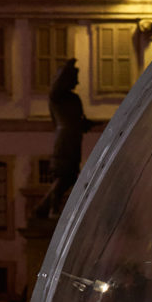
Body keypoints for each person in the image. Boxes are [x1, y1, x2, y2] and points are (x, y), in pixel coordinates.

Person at [34, 59, 94, 219]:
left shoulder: (74, 99)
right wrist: (67, 67)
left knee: (71, 176)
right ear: (67, 78)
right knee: (63, 175)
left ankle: (43, 208)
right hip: (64, 140)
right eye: (75, 78)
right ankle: (53, 209)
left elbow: (79, 122)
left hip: (74, 140)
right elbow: (55, 87)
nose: (78, 82)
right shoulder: (56, 98)